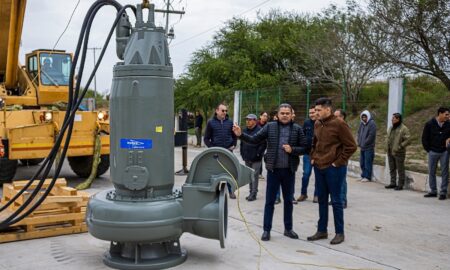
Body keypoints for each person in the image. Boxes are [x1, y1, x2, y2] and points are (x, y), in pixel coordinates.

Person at [233, 103, 308, 242]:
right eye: (282, 113)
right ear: (277, 115)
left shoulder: (297, 129)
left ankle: (288, 229)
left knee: (288, 202)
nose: (285, 115)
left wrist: (293, 150)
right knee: (269, 202)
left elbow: (305, 147)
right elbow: (255, 139)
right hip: (273, 171)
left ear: (292, 115)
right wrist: (240, 135)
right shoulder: (270, 127)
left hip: (289, 171)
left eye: (287, 113)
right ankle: (266, 230)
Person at [307, 98, 357, 245]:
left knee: (336, 201)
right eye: (315, 110)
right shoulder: (317, 123)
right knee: (321, 200)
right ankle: (322, 230)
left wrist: (338, 162)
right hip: (319, 166)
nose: (315, 113)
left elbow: (351, 146)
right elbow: (314, 142)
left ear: (327, 110)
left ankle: (339, 233)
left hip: (334, 168)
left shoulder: (339, 124)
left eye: (318, 110)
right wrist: (313, 156)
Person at [204, 103, 237, 198]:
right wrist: (212, 149)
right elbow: (206, 139)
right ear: (217, 111)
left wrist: (234, 145)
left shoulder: (230, 122)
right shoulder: (211, 123)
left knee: (229, 171)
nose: (225, 112)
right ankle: (216, 191)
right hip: (216, 153)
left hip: (228, 152)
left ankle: (231, 191)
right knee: (216, 172)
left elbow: (234, 135)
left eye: (226, 111)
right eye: (223, 110)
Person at [421, 107, 450, 200]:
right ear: (440, 114)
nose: (448, 116)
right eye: (446, 114)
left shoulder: (449, 124)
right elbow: (424, 138)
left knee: (444, 172)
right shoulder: (429, 124)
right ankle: (433, 191)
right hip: (432, 151)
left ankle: (443, 192)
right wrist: (428, 150)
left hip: (444, 152)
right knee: (431, 171)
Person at [240, 114, 267, 201]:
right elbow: (242, 143)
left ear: (255, 121)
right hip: (247, 157)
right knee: (249, 175)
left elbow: (263, 144)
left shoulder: (260, 130)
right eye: (247, 119)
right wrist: (242, 153)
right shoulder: (244, 130)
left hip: (256, 158)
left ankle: (254, 193)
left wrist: (258, 154)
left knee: (254, 175)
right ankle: (251, 191)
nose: (248, 121)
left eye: (250, 120)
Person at [385, 113, 411, 191]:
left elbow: (408, 140)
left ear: (398, 119)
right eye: (392, 118)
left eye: (394, 118)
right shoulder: (391, 128)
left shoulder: (404, 128)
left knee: (400, 169)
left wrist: (400, 147)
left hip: (399, 152)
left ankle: (400, 184)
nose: (392, 119)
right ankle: (393, 183)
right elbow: (388, 138)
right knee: (392, 168)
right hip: (390, 151)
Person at [296, 106, 317, 203]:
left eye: (313, 112)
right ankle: (303, 194)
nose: (312, 114)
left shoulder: (321, 123)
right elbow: (302, 136)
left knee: (318, 176)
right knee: (306, 175)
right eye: (310, 113)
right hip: (307, 154)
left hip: (319, 155)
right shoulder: (307, 123)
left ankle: (317, 195)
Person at [334, 109, 349, 208]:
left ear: (342, 117)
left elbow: (349, 146)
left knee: (342, 180)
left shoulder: (344, 127)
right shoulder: (336, 127)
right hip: (334, 159)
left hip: (341, 160)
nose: (334, 118)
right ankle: (336, 199)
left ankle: (343, 200)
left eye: (336, 116)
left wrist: (342, 158)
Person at [356, 110, 377, 182]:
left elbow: (371, 135)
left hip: (369, 147)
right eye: (362, 117)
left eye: (365, 117)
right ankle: (363, 175)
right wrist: (358, 141)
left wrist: (365, 143)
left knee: (367, 162)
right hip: (362, 147)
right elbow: (358, 133)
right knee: (362, 162)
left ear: (368, 117)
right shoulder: (362, 124)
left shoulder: (372, 123)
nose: (364, 118)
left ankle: (368, 177)